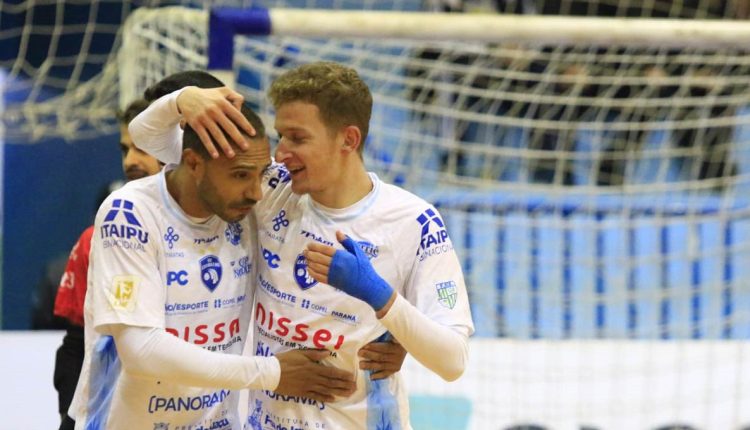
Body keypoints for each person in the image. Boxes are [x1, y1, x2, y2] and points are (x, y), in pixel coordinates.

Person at [131, 61, 474, 429]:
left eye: (297, 138)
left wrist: (380, 297)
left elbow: (453, 361)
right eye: (280, 136)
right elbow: (148, 140)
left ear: (349, 139)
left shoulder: (414, 222)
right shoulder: (271, 190)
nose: (280, 154)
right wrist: (183, 100)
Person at [69, 96, 356, 429]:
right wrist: (181, 100)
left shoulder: (246, 203)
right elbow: (140, 349)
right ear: (192, 163)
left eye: (260, 174)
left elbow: (352, 199)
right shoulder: (130, 212)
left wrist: (389, 323)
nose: (256, 192)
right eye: (240, 175)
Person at [51, 98, 161, 430]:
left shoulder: (221, 233)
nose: (131, 161)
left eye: (142, 148)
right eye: (125, 149)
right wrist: (69, 420)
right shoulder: (94, 239)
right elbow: (75, 345)